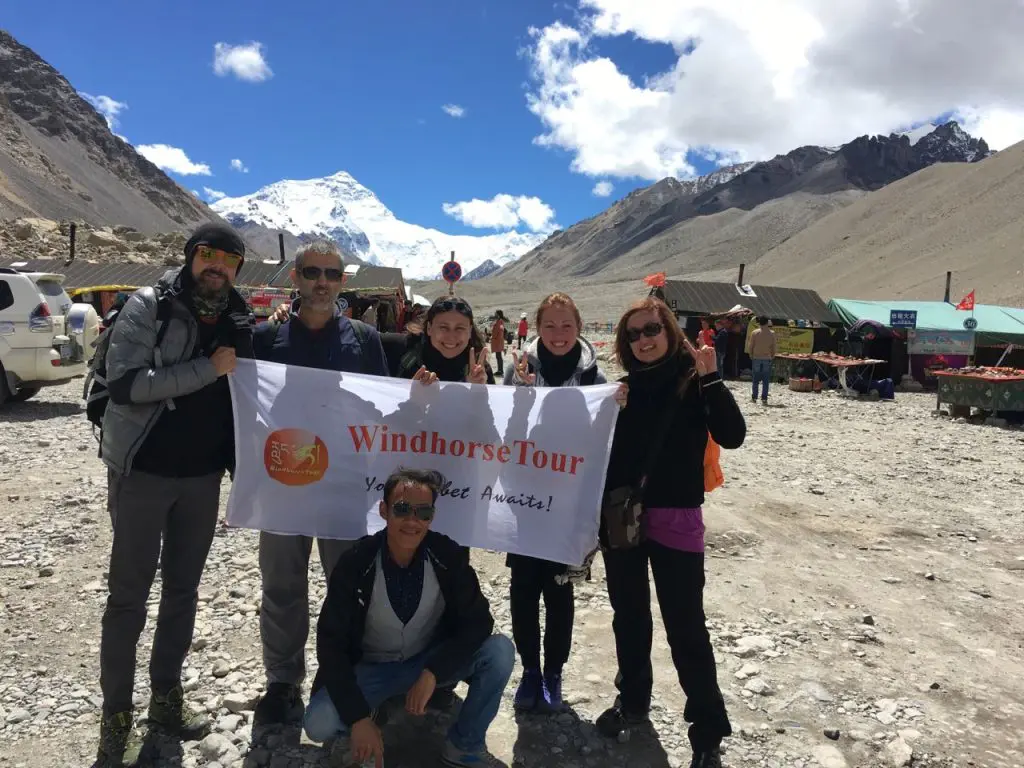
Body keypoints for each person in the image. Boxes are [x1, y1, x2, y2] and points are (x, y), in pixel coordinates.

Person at [95, 223, 253, 767]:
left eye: (228, 259)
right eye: (207, 255)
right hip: (143, 472)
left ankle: (164, 699)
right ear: (190, 258)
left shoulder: (238, 316)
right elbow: (126, 385)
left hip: (202, 478)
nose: (217, 266)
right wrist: (205, 370)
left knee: (183, 592)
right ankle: (115, 716)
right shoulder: (148, 305)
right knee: (128, 597)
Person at [596, 297, 746, 768]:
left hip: (678, 517)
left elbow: (734, 434)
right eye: (634, 334)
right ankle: (634, 701)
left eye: (651, 330)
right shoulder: (621, 392)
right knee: (630, 616)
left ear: (669, 333)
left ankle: (707, 730)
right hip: (623, 519)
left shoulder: (695, 383)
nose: (643, 340)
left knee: (686, 626)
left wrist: (713, 378)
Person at [251, 240, 390, 726]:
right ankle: (283, 681)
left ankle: (337, 674)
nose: (322, 282)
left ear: (343, 281)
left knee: (346, 586)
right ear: (296, 276)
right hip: (283, 483)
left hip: (343, 487)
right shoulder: (265, 341)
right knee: (282, 585)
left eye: (331, 274)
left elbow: (383, 407)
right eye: (312, 272)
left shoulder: (366, 340)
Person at [303, 468, 515, 768]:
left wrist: (433, 671)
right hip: (371, 668)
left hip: (424, 662)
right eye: (402, 509)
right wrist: (358, 717)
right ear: (384, 510)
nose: (412, 521)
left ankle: (463, 745)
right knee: (318, 723)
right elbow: (330, 643)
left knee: (500, 651)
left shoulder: (448, 555)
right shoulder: (356, 562)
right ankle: (372, 712)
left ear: (432, 517)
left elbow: (479, 622)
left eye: (423, 512)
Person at [503, 292, 618, 713]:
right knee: (522, 588)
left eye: (566, 326)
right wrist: (521, 395)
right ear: (537, 328)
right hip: (525, 498)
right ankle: (530, 670)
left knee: (558, 589)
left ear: (579, 328)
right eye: (549, 326)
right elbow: (507, 429)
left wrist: (616, 405)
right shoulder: (519, 370)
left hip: (569, 501)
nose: (558, 334)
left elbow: (603, 434)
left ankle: (554, 672)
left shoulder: (594, 376)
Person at [747, 316, 776, 405]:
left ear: (759, 323)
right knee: (765, 380)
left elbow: (751, 345)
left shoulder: (755, 333)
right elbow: (773, 347)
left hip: (756, 358)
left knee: (755, 379)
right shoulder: (772, 333)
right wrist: (772, 355)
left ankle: (754, 397)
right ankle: (764, 398)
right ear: (767, 323)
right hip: (767, 358)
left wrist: (751, 354)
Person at [490, 310, 507, 377]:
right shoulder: (500, 321)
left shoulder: (499, 322)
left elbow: (497, 332)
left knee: (498, 356)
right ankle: (500, 370)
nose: (495, 315)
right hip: (498, 341)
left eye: (495, 314)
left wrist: (493, 337)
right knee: (498, 356)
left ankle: (500, 370)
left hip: (498, 341)